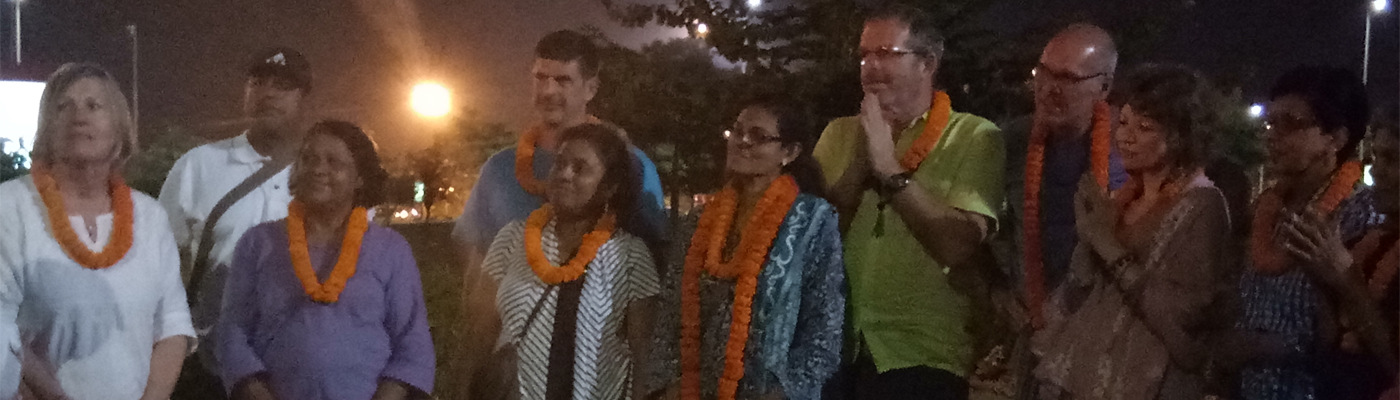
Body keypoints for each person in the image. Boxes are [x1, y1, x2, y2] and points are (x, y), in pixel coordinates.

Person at [813, 4, 1005, 399]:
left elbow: (957, 246)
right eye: (864, 55)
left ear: (927, 63)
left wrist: (888, 169)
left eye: (886, 53)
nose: (870, 67)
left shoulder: (974, 136)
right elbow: (812, 241)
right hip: (832, 345)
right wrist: (858, 166)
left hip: (922, 353)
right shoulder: (838, 134)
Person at [1030, 64, 1233, 400]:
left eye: (1145, 127)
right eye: (1123, 123)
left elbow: (1185, 316)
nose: (1125, 136)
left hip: (1146, 383)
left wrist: (1108, 246)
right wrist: (1088, 238)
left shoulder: (1202, 204)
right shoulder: (1124, 198)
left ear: (1182, 136)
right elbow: (1078, 293)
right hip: (1083, 375)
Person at [0, 63, 194, 400]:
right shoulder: (10, 207)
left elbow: (172, 324)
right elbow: (3, 328)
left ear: (119, 128)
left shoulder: (150, 217)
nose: (79, 116)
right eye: (64, 106)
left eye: (94, 106)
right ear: (46, 128)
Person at [218, 120, 435, 400]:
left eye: (334, 162)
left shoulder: (390, 249)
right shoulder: (258, 243)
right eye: (308, 159)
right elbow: (232, 332)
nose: (318, 169)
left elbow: (413, 344)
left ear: (360, 178)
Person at [647, 100, 846, 400]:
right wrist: (668, 387)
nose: (742, 141)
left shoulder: (813, 221)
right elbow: (670, 310)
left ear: (789, 152)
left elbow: (824, 328)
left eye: (758, 136)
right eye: (737, 131)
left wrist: (782, 392)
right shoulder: (701, 220)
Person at [453, 29, 667, 294]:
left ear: (591, 89)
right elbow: (473, 254)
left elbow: (653, 260)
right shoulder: (499, 169)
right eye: (540, 78)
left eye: (563, 80)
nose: (548, 91)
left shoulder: (630, 165)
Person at [465, 123, 660, 400]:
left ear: (609, 188)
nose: (564, 174)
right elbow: (478, 335)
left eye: (580, 168)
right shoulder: (512, 239)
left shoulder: (630, 255)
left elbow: (643, 358)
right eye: (560, 163)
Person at [159, 47, 311, 398]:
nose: (267, 93)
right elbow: (159, 266)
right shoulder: (198, 166)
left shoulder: (325, 174)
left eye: (283, 85)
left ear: (305, 98)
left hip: (298, 368)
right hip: (208, 366)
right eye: (257, 82)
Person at [1234, 66, 1377, 400]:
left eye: (1290, 124)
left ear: (1336, 138)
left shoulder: (1358, 215)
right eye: (1271, 123)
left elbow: (1361, 334)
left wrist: (1275, 347)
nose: (1272, 135)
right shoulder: (1269, 208)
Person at [998, 23, 1130, 331]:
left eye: (1068, 78)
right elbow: (984, 231)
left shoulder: (1130, 149)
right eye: (1043, 73)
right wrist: (999, 294)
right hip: (1032, 325)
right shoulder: (1011, 141)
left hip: (1103, 330)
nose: (1048, 89)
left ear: (1105, 87)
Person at [1270, 106, 1398, 400]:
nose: (1376, 170)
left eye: (1392, 159)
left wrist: (1346, 278)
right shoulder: (1366, 241)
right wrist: (1320, 275)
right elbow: (1331, 340)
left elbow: (1393, 363)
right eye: (1376, 157)